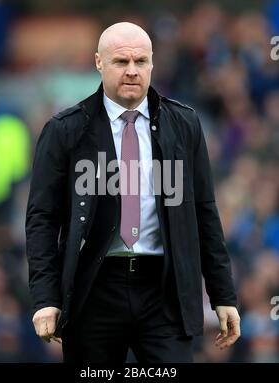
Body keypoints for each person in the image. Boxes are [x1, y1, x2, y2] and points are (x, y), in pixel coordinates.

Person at [26, 22, 240, 363]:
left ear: (153, 64)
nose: (131, 71)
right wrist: (45, 299)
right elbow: (42, 220)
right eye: (120, 62)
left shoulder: (184, 125)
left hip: (164, 291)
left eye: (140, 62)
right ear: (98, 62)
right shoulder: (65, 131)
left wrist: (222, 294)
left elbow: (204, 212)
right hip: (92, 291)